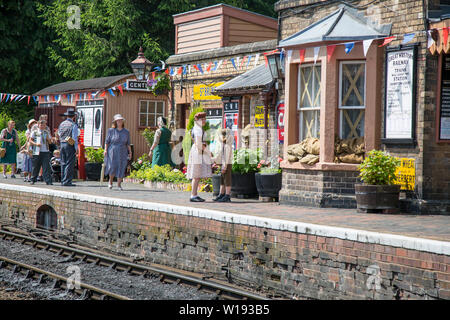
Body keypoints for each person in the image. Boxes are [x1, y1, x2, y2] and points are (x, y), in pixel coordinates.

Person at [186, 112, 212, 202]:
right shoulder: (198, 129)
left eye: (205, 119)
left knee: (197, 175)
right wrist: (207, 152)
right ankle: (193, 195)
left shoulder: (196, 128)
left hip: (197, 151)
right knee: (196, 174)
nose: (205, 121)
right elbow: (198, 143)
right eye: (203, 119)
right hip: (198, 151)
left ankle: (194, 194)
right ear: (199, 120)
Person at [104, 114, 131, 190]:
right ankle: (110, 182)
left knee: (121, 166)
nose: (119, 122)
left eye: (121, 120)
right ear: (115, 122)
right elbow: (107, 141)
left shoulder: (126, 132)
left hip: (123, 151)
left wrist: (130, 152)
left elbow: (128, 143)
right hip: (113, 150)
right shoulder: (111, 131)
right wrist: (105, 150)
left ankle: (119, 185)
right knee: (112, 166)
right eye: (118, 120)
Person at [57, 108, 78, 186]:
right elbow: (74, 138)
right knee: (69, 163)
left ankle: (63, 180)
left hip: (62, 143)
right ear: (73, 116)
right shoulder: (73, 125)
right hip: (69, 144)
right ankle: (67, 181)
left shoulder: (62, 124)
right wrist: (76, 148)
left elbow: (59, 134)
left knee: (63, 162)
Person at [212, 128, 233, 202]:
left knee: (227, 180)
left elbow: (226, 157)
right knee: (222, 179)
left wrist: (224, 166)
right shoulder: (223, 144)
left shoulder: (227, 145)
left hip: (226, 164)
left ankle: (227, 195)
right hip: (223, 164)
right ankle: (221, 194)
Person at [29, 120, 53, 185]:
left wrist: (49, 139)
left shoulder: (46, 132)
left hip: (45, 151)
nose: (42, 126)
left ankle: (48, 180)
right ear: (38, 125)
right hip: (37, 151)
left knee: (46, 166)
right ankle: (33, 179)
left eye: (44, 125)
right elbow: (30, 141)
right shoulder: (35, 132)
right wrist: (36, 144)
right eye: (41, 125)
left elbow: (50, 142)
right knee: (36, 166)